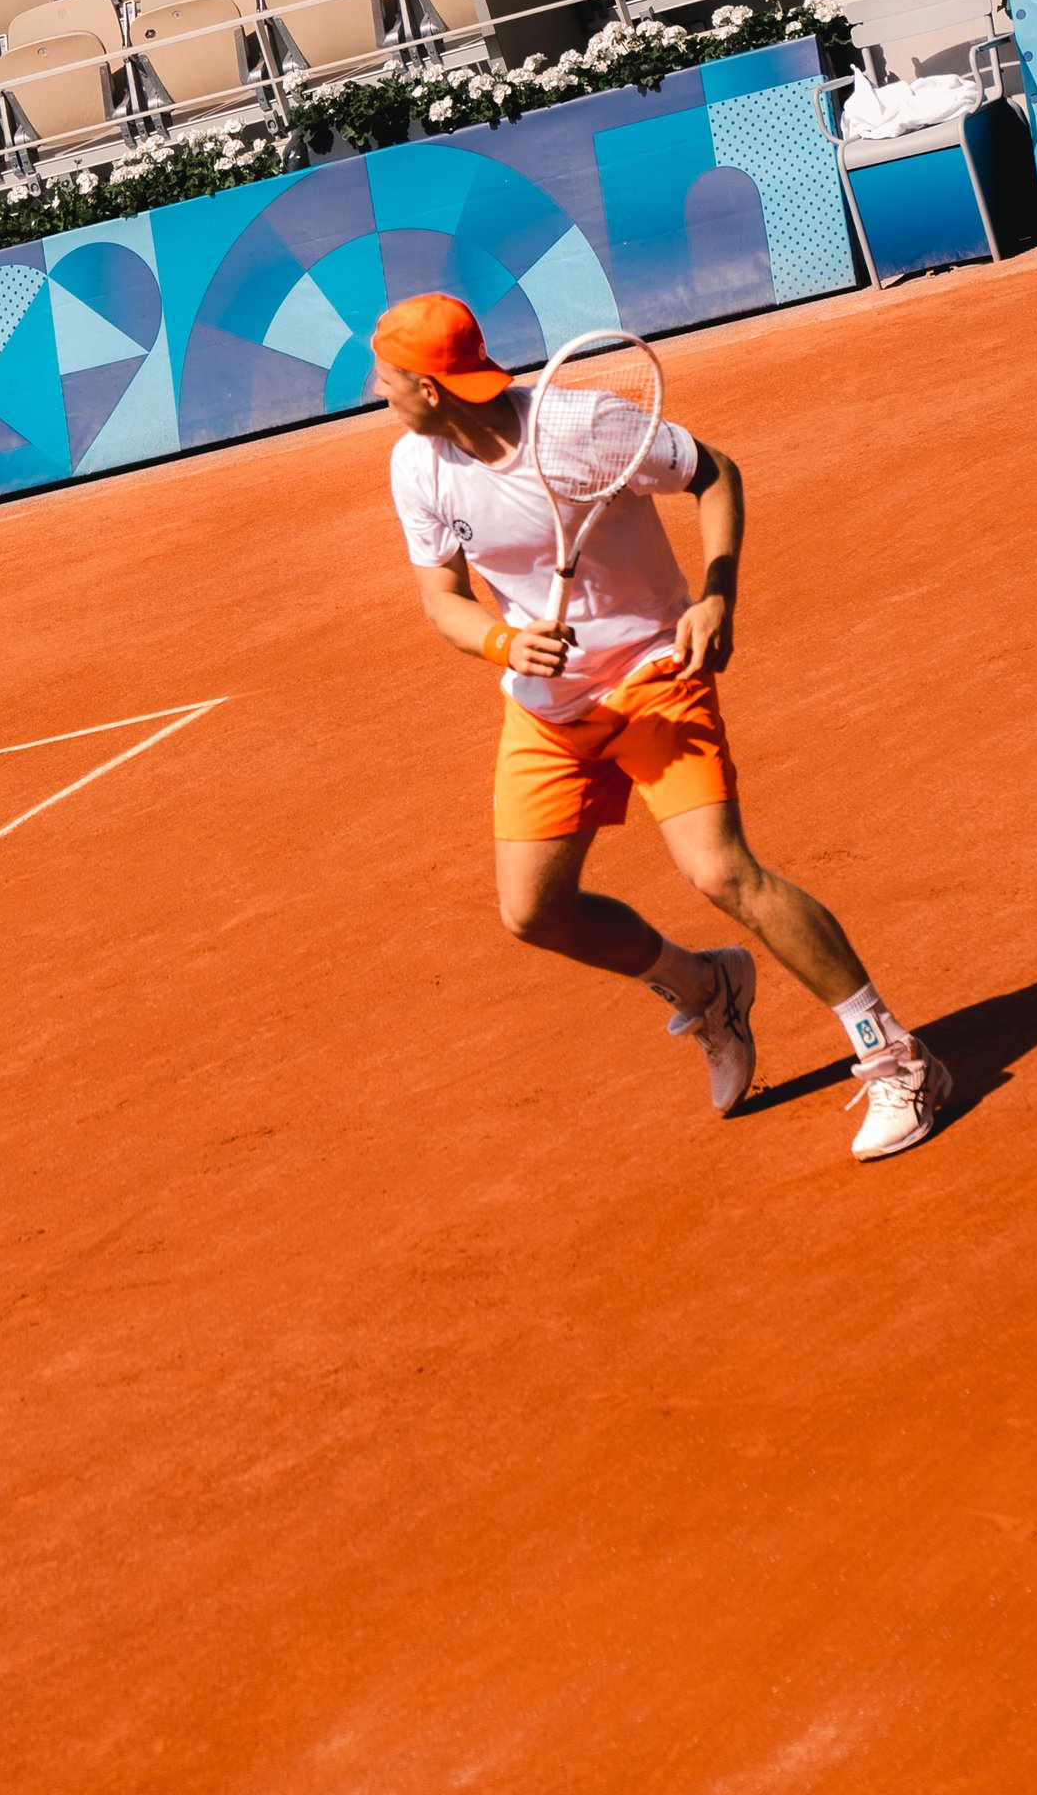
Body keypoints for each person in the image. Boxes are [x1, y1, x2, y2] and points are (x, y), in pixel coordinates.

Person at [373, 293, 949, 1163]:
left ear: (427, 386)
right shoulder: (418, 465)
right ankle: (704, 985)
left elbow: (716, 472)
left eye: (386, 380)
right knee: (533, 911)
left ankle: (897, 1057)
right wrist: (504, 639)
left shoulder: (578, 428)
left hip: (653, 677)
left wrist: (717, 593)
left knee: (722, 871)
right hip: (550, 708)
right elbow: (442, 601)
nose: (380, 395)